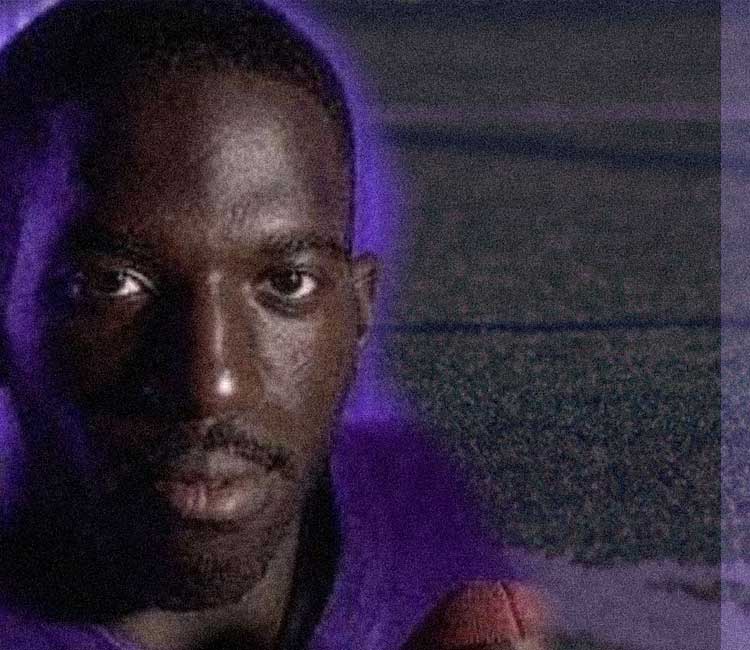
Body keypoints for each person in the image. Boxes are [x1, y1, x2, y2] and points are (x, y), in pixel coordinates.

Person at [0, 1, 548, 648]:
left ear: (358, 309)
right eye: (111, 284)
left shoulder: (449, 561)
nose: (214, 382)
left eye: (287, 284)